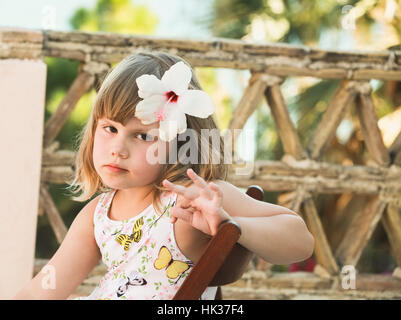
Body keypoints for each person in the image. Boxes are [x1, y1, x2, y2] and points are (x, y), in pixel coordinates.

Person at [13, 51, 314, 300]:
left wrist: (228, 224)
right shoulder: (99, 214)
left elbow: (300, 240)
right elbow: (44, 291)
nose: (118, 149)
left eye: (143, 137)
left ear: (181, 144)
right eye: (110, 129)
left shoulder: (193, 199)